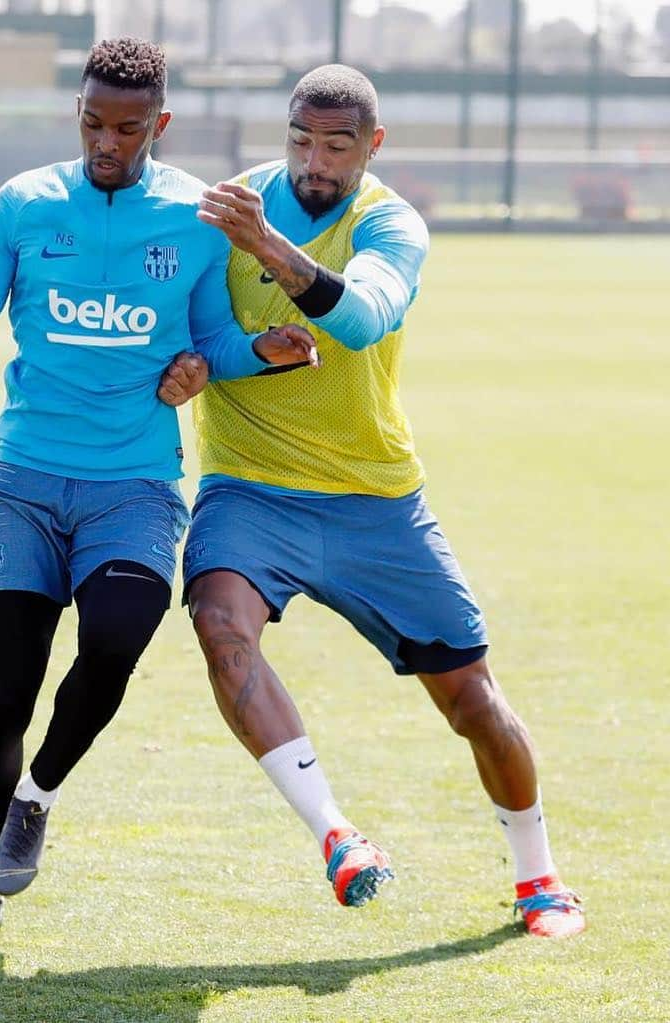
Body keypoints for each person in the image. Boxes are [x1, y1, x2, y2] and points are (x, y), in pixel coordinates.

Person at [0, 37, 317, 951]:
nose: (107, 141)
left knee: (113, 642)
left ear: (159, 126)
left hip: (133, 484)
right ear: (79, 115)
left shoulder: (192, 217)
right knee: (3, 698)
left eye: (127, 128)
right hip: (24, 484)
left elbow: (205, 343)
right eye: (93, 123)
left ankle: (38, 795)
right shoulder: (22, 204)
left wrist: (253, 353)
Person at [163, 64, 585, 939]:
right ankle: (337, 834)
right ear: (284, 135)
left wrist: (270, 248)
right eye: (301, 141)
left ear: (373, 145)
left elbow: (360, 318)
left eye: (337, 146)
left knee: (472, 700)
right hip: (249, 485)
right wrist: (211, 359)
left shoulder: (390, 222)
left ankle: (538, 878)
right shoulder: (231, 205)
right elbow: (197, 327)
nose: (314, 162)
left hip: (374, 499)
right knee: (216, 621)